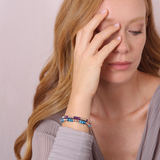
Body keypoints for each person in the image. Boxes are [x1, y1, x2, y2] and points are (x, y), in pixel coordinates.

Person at [14, 0, 160, 159]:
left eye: (135, 31)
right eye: (105, 31)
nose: (123, 47)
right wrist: (80, 96)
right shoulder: (51, 131)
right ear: (75, 38)